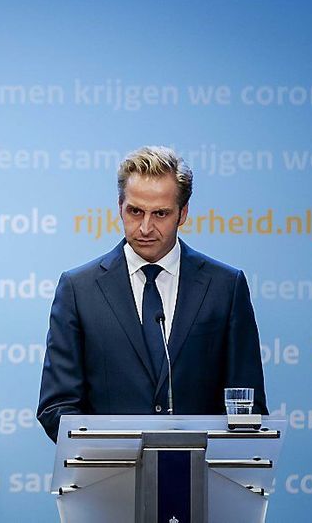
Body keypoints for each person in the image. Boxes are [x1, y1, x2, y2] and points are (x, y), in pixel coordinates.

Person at [37, 145, 268, 443]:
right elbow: (57, 407)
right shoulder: (78, 289)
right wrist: (113, 454)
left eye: (160, 213)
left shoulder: (225, 286)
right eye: (135, 211)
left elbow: (247, 406)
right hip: (108, 480)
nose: (145, 227)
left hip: (198, 481)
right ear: (119, 206)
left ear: (182, 213)